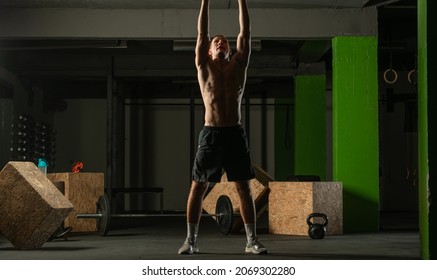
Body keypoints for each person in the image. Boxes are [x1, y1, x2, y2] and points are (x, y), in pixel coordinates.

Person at [178, 0, 268, 255]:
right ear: (207, 51)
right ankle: (191, 241)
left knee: (244, 187)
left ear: (230, 50)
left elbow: (245, 33)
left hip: (234, 133)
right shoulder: (203, 67)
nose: (220, 42)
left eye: (224, 41)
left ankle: (251, 241)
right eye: (216, 41)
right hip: (211, 134)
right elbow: (202, 33)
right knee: (198, 186)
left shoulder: (239, 66)